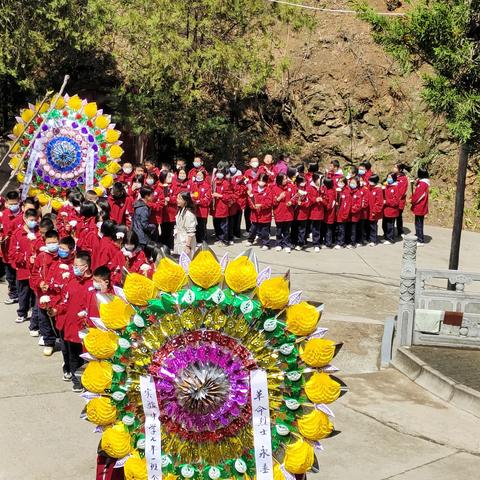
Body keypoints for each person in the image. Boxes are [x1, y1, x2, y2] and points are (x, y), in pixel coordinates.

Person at [53, 251, 93, 392]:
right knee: (73, 356)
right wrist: (55, 310)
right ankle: (77, 381)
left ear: (86, 266)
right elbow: (64, 301)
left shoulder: (93, 285)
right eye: (73, 265)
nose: (74, 267)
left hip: (86, 329)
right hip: (71, 327)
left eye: (77, 265)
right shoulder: (71, 282)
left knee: (87, 358)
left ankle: (88, 381)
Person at [30, 229, 60, 355]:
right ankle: (49, 342)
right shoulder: (41, 257)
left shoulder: (63, 256)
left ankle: (62, 339)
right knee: (44, 319)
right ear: (45, 242)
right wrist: (40, 283)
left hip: (58, 294)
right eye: (49, 242)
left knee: (59, 318)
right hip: (44, 294)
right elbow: (34, 274)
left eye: (54, 242)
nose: (52, 244)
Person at [9, 208, 41, 324]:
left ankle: (34, 312)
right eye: (31, 220)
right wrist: (26, 257)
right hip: (23, 270)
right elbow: (12, 253)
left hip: (36, 271)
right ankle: (22, 312)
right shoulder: (18, 234)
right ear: (25, 219)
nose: (34, 222)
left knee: (35, 293)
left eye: (35, 220)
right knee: (24, 293)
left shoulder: (39, 232)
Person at [1, 191, 22, 304]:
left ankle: (22, 296)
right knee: (9, 275)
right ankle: (13, 294)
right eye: (11, 203)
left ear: (19, 201)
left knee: (19, 275)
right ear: (7, 202)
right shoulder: (3, 214)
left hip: (19, 252)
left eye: (15, 203)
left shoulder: (24, 216)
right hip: (6, 250)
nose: (13, 205)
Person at [247, 174, 273, 250]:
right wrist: (253, 206)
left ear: (266, 181)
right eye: (260, 180)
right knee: (253, 229)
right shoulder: (254, 189)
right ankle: (250, 240)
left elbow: (269, 202)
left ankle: (266, 243)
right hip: (255, 214)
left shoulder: (268, 190)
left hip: (265, 215)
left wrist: (261, 205)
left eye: (263, 181)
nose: (261, 182)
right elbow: (250, 200)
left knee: (265, 231)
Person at [272, 173, 295, 253]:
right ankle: (278, 243)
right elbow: (273, 202)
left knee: (286, 230)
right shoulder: (274, 188)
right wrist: (279, 198)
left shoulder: (291, 187)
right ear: (280, 180)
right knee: (279, 230)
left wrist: (291, 202)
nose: (286, 180)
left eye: (286, 178)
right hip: (279, 212)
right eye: (284, 179)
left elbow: (295, 197)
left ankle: (286, 244)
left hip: (288, 213)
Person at [211, 165, 233, 246]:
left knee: (224, 226)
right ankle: (218, 238)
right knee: (216, 224)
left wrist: (220, 195)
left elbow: (229, 196)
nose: (219, 174)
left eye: (221, 172)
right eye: (218, 172)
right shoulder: (213, 182)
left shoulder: (226, 183)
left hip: (223, 207)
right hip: (214, 208)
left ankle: (224, 240)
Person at [189, 170, 211, 243]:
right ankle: (196, 241)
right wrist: (193, 200)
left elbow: (207, 198)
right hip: (194, 210)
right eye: (197, 174)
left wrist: (198, 201)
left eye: (200, 175)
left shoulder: (207, 186)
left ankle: (203, 241)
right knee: (195, 226)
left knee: (202, 226)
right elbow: (191, 195)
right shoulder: (193, 184)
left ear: (203, 176)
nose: (199, 176)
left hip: (203, 210)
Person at [174, 192, 197, 257]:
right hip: (180, 239)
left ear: (185, 201)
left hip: (186, 241)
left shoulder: (189, 214)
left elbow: (191, 232)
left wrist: (187, 246)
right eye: (177, 198)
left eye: (179, 199)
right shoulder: (180, 210)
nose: (177, 200)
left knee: (186, 261)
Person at [411, 168, 430, 246]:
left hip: (420, 206)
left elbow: (419, 195)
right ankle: (419, 236)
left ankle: (420, 239)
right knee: (418, 223)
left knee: (419, 223)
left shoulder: (422, 184)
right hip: (421, 205)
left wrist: (412, 201)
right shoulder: (423, 183)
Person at [293, 176, 310, 250]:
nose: (304, 183)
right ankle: (294, 241)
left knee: (302, 229)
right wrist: (296, 201)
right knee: (294, 228)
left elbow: (309, 202)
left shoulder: (307, 189)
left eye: (305, 181)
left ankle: (301, 242)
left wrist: (302, 204)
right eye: (302, 181)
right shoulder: (294, 189)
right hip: (294, 213)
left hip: (303, 213)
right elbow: (292, 199)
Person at [308, 173, 325, 252]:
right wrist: (315, 199)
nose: (321, 181)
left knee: (317, 228)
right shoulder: (310, 187)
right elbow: (309, 198)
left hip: (320, 211)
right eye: (320, 179)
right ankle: (313, 243)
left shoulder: (322, 187)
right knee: (313, 227)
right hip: (313, 211)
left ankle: (317, 242)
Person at [383, 172, 400, 244]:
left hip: (392, 210)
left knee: (390, 225)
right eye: (387, 177)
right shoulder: (386, 187)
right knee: (385, 224)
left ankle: (391, 239)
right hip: (385, 210)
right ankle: (386, 237)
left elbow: (396, 201)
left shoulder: (395, 188)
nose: (388, 179)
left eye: (390, 177)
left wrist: (386, 202)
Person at [367, 174, 384, 246]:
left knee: (373, 226)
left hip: (374, 211)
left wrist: (374, 211)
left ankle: (373, 240)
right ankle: (369, 238)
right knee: (369, 225)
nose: (369, 182)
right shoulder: (370, 188)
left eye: (371, 181)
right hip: (368, 210)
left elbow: (379, 202)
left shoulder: (378, 190)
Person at [394, 163, 410, 237]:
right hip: (392, 201)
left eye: (395, 167)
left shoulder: (403, 179)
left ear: (400, 169)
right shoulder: (393, 176)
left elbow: (402, 192)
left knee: (398, 216)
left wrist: (395, 199)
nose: (394, 168)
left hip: (399, 201)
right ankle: (391, 232)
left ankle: (400, 231)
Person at [334, 177, 351, 249]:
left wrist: (345, 214)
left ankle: (341, 242)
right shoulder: (337, 191)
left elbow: (347, 205)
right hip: (336, 214)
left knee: (342, 229)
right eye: (339, 182)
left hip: (342, 214)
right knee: (337, 229)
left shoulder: (347, 192)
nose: (340, 183)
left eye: (342, 182)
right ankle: (337, 241)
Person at [322, 178, 336, 249]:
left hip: (329, 214)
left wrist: (323, 203)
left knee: (328, 229)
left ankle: (328, 243)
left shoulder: (330, 192)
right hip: (328, 214)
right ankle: (327, 241)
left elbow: (329, 205)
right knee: (327, 229)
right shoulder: (330, 190)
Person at [349, 177, 362, 249]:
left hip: (354, 215)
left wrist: (352, 209)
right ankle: (348, 241)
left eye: (354, 183)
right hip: (347, 215)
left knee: (353, 230)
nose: (352, 184)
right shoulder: (348, 191)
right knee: (349, 229)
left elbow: (358, 205)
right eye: (351, 182)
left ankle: (353, 243)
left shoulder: (358, 193)